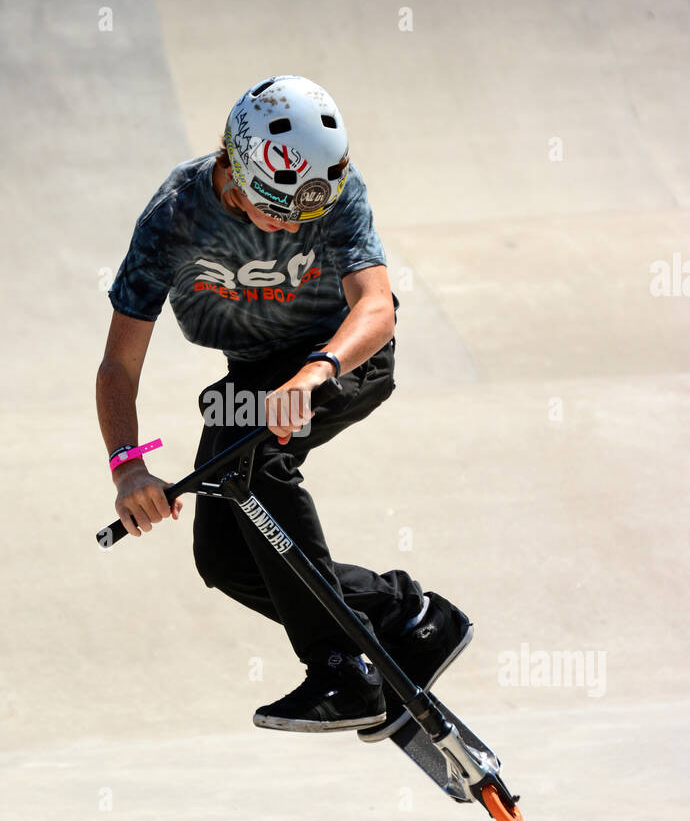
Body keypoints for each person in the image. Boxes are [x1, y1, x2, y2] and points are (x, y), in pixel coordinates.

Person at [96, 75, 471, 736]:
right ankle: (406, 617)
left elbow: (376, 307)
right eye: (276, 212)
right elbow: (119, 364)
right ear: (236, 175)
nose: (292, 226)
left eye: (303, 213)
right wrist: (128, 466)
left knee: (256, 457)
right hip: (252, 378)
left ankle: (338, 671)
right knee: (225, 559)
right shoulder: (174, 218)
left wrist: (315, 372)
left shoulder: (336, 191)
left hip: (344, 355)